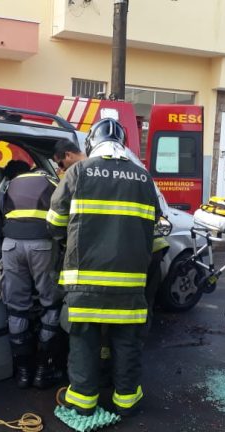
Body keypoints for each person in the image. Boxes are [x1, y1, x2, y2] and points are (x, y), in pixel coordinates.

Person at [47, 118, 160, 417]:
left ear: (91, 143)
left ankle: (83, 402)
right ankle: (126, 402)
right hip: (131, 285)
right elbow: (155, 226)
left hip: (85, 283)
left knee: (84, 341)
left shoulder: (78, 173)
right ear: (123, 143)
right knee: (127, 342)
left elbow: (55, 224)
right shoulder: (143, 177)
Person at [0, 160, 63, 389]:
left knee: (17, 307)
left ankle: (23, 373)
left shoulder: (10, 183)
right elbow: (61, 216)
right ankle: (43, 371)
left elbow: (2, 214)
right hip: (41, 245)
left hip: (10, 246)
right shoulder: (50, 181)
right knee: (51, 303)